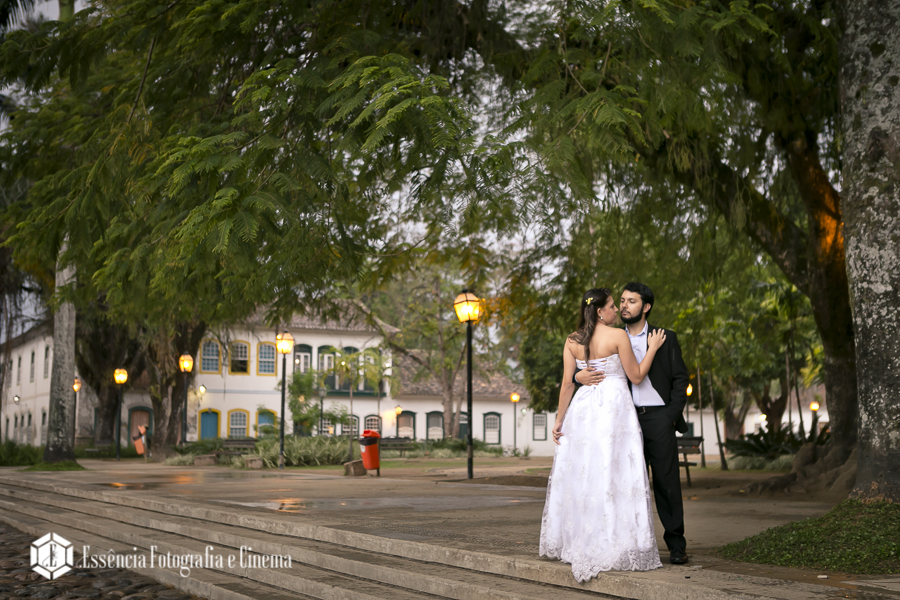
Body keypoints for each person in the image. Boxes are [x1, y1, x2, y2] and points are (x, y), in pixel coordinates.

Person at [539, 288, 665, 581]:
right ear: (599, 312)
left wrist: (559, 421)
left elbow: (567, 385)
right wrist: (653, 349)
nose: (615, 310)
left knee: (585, 472)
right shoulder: (617, 336)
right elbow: (635, 376)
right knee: (614, 470)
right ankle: (616, 540)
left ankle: (582, 537)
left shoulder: (572, 341)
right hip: (613, 408)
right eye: (611, 306)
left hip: (582, 410)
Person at [574, 282, 690, 565]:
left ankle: (676, 545)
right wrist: (579, 378)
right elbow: (580, 369)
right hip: (622, 420)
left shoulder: (666, 338)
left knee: (666, 484)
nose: (624, 305)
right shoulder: (608, 336)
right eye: (621, 301)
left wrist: (670, 415)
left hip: (659, 419)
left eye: (632, 301)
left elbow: (680, 379)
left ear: (646, 307)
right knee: (625, 483)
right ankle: (631, 543)